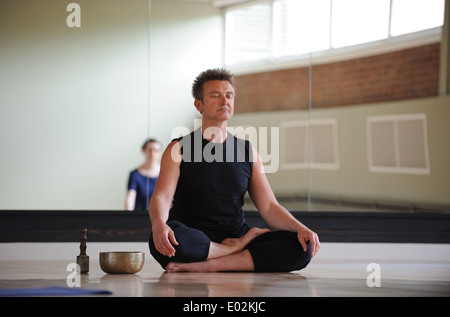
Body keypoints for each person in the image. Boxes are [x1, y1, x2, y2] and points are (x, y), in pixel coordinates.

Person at [148, 68, 320, 272]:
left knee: (301, 247)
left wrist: (300, 228)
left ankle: (211, 265)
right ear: (199, 104)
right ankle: (233, 251)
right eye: (215, 95)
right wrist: (159, 223)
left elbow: (269, 206)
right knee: (162, 241)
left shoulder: (248, 152)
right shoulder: (178, 148)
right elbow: (162, 197)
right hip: (192, 236)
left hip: (236, 233)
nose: (224, 101)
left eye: (229, 96)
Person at [126, 139, 162, 211]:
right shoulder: (135, 174)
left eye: (156, 150)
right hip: (140, 217)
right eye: (149, 150)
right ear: (143, 150)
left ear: (160, 152)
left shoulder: (165, 172)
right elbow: (130, 198)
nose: (152, 153)